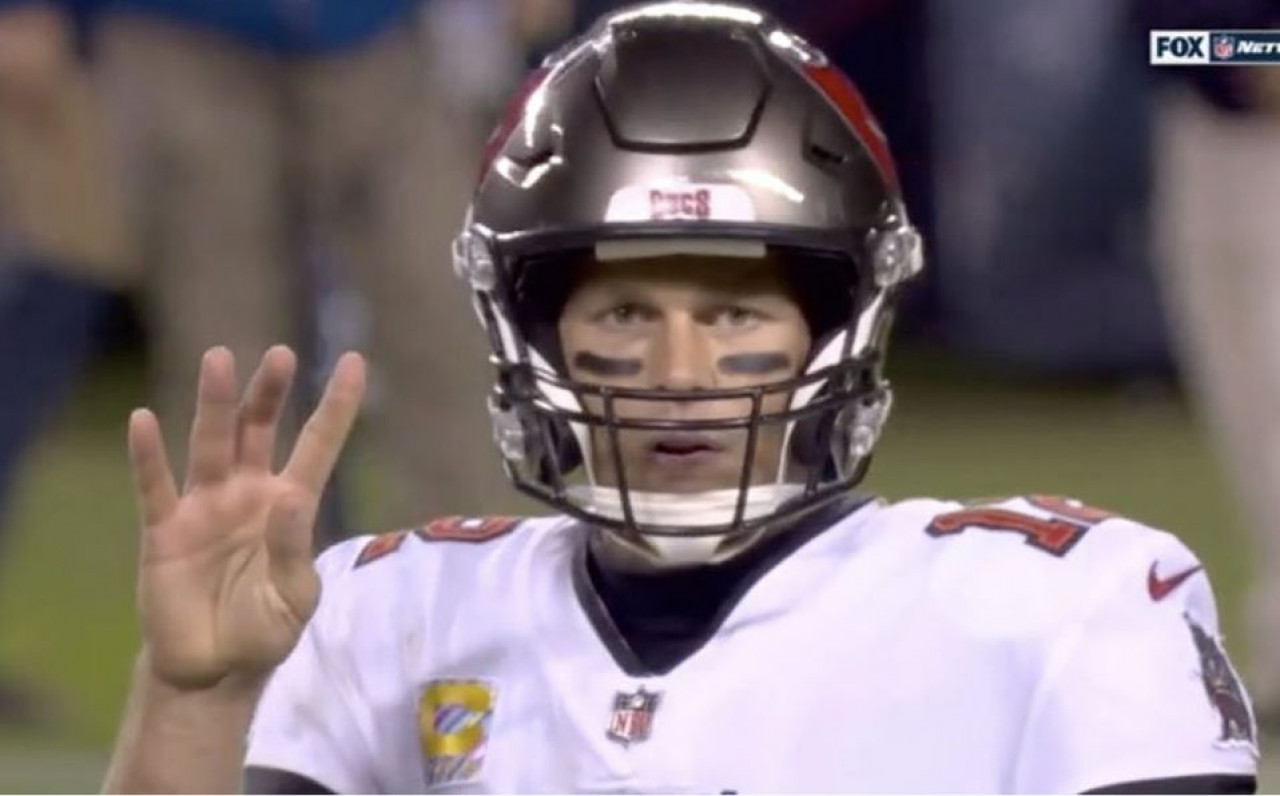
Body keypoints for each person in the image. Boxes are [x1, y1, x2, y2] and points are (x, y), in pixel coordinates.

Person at [102, 3, 1259, 793]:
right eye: (621, 313)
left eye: (735, 316)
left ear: (836, 328)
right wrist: (191, 696)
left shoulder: (1059, 606)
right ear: (533, 333)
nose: (678, 368)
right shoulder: (385, 612)